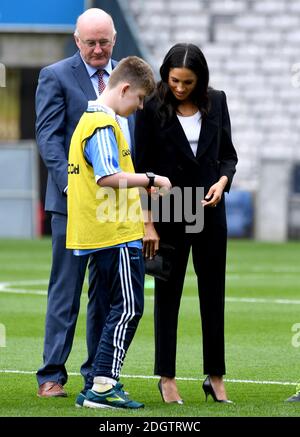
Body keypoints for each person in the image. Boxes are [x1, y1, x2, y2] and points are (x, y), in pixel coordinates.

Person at [35, 8, 136, 397]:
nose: (97, 49)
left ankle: (97, 374)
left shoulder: (124, 78)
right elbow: (49, 139)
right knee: (66, 288)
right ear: (77, 40)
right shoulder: (55, 75)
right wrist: (72, 188)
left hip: (115, 207)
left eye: (104, 42)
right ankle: (51, 375)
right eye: (90, 42)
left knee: (106, 293)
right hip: (71, 204)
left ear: (114, 40)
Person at [66, 55, 171, 409]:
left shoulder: (95, 120)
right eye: (139, 98)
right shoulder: (102, 124)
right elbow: (107, 177)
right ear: (124, 88)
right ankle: (102, 386)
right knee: (127, 307)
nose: (140, 106)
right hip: (113, 232)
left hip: (103, 231)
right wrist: (151, 178)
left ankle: (98, 381)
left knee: (114, 306)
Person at [135, 43, 238, 404]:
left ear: (201, 79)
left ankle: (215, 376)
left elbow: (228, 156)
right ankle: (167, 378)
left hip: (211, 213)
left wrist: (223, 182)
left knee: (213, 297)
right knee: (168, 297)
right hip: (169, 213)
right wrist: (148, 223)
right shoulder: (149, 107)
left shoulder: (218, 101)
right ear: (165, 75)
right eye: (174, 80)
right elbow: (141, 169)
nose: (179, 87)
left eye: (188, 82)